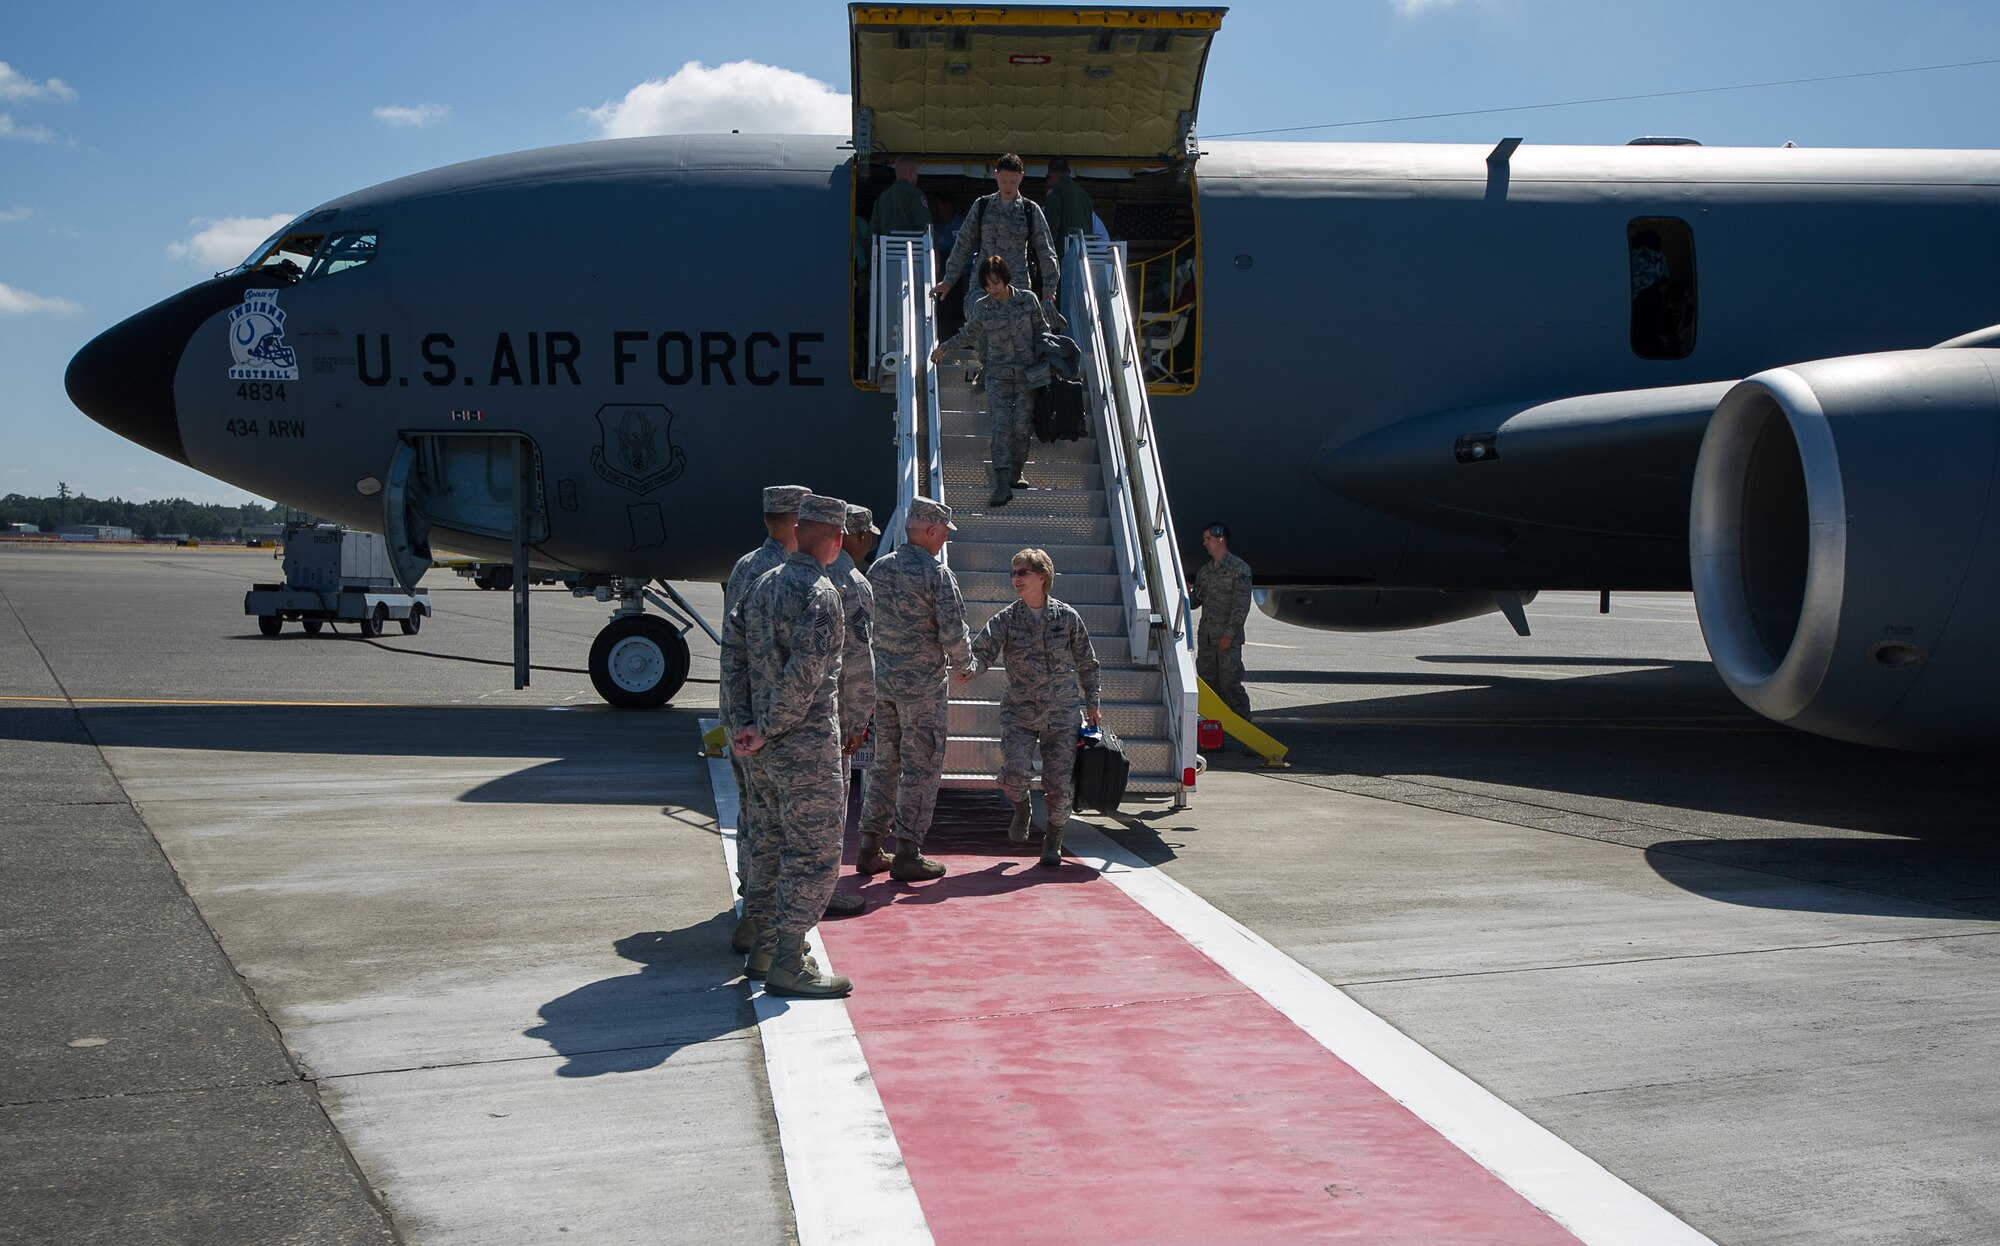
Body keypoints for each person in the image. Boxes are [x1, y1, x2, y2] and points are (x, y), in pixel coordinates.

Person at [722, 493, 855, 998]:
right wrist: (772, 725)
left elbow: (731, 656)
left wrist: (746, 724)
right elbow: (806, 673)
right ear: (838, 540)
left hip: (762, 746)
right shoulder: (822, 593)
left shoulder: (759, 585)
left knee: (771, 841)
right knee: (816, 852)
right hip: (803, 744)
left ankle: (763, 948)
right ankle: (789, 960)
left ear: (797, 533)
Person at [958, 547, 1101, 867]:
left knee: (1060, 786)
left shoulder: (1067, 618)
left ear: (1042, 577)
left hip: (1061, 714)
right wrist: (970, 669)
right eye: (1013, 572)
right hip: (1020, 712)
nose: (1016, 578)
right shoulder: (1006, 619)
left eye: (1023, 572)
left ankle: (1054, 836)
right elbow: (982, 652)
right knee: (1014, 775)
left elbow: (1087, 663)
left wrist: (1093, 702)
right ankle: (1022, 808)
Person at [861, 496, 972, 882]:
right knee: (921, 769)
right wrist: (965, 665)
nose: (944, 540)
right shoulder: (936, 574)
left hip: (884, 686)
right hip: (922, 690)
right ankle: (908, 851)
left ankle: (869, 846)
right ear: (928, 531)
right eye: (942, 533)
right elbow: (953, 630)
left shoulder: (879, 569)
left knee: (884, 765)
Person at [723, 485, 808, 955]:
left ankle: (750, 896)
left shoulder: (743, 565)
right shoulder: (781, 574)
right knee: (773, 820)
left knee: (752, 809)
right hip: (770, 719)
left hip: (740, 712)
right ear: (798, 523)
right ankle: (761, 917)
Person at [931, 255, 1049, 508]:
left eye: (995, 283)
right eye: (987, 285)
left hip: (1027, 375)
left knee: (1021, 427)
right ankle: (1002, 483)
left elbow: (1042, 330)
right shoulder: (983, 307)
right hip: (998, 375)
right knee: (1000, 428)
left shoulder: (1028, 300)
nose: (992, 289)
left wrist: (1050, 358)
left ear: (1005, 279)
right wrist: (945, 348)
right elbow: (969, 333)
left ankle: (1017, 472)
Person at [929, 153, 1059, 318]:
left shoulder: (1030, 210)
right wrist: (949, 280)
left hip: (1016, 287)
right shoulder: (982, 206)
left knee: (1017, 337)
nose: (1008, 186)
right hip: (983, 285)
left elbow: (1046, 251)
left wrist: (1049, 291)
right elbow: (963, 244)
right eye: (1004, 180)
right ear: (996, 175)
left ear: (1021, 178)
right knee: (979, 325)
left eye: (1013, 181)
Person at [832, 504, 881, 868]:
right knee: (829, 807)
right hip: (831, 716)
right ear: (857, 536)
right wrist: (858, 722)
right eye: (867, 537)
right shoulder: (852, 582)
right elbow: (859, 660)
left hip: (779, 713)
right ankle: (823, 893)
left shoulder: (787, 572)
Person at [1191, 522, 1254, 723]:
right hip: (1207, 640)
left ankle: (1249, 735)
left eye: (1208, 538)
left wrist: (1229, 634)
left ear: (1220, 538)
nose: (1204, 543)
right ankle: (1217, 738)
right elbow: (1196, 602)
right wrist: (1185, 593)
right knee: (1210, 689)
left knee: (1230, 686)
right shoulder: (1205, 571)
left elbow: (1241, 606)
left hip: (1227, 640)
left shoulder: (1239, 569)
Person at [869, 155, 931, 239]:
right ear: (912, 173)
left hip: (887, 251)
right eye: (916, 173)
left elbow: (873, 232)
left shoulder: (881, 198)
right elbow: (926, 227)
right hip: (912, 250)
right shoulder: (915, 194)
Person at [1042, 156, 1094, 255]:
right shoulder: (1084, 194)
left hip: (1065, 252)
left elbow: (1051, 226)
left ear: (1050, 172)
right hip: (1084, 251)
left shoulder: (1056, 191)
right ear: (1069, 171)